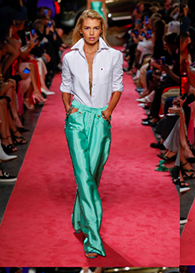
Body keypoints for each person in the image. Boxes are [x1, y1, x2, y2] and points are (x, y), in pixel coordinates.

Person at [60, 9, 123, 259]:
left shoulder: (114, 56)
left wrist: (108, 112)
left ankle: (79, 217)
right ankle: (93, 238)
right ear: (80, 29)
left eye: (96, 28)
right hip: (76, 119)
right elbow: (66, 86)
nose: (92, 33)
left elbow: (118, 87)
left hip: (100, 118)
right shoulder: (69, 57)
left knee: (92, 174)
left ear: (101, 29)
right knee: (83, 175)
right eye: (87, 28)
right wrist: (68, 108)